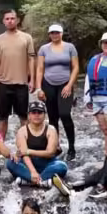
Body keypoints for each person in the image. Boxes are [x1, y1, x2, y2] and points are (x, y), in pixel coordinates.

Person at [6, 100, 71, 197]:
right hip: (27, 164)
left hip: (47, 163)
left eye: (40, 112)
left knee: (62, 166)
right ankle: (43, 181)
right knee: (10, 162)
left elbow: (50, 153)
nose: (37, 115)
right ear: (29, 115)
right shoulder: (22, 131)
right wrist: (33, 172)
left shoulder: (51, 130)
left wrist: (29, 151)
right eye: (33, 112)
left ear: (45, 114)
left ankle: (27, 180)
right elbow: (24, 155)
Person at [36, 23, 79, 160]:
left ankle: (71, 148)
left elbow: (76, 67)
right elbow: (40, 69)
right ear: (49, 34)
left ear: (61, 33)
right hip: (48, 84)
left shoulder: (70, 47)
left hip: (65, 84)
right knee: (53, 118)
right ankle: (55, 147)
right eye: (52, 33)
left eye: (57, 32)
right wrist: (39, 88)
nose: (55, 35)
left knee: (65, 114)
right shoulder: (44, 49)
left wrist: (69, 85)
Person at [0, 9, 36, 140]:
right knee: (3, 117)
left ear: (17, 20)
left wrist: (32, 80)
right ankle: (0, 146)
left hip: (21, 83)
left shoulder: (27, 38)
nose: (10, 21)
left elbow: (31, 59)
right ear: (3, 21)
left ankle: (26, 144)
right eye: (7, 19)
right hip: (3, 84)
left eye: (12, 18)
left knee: (23, 116)